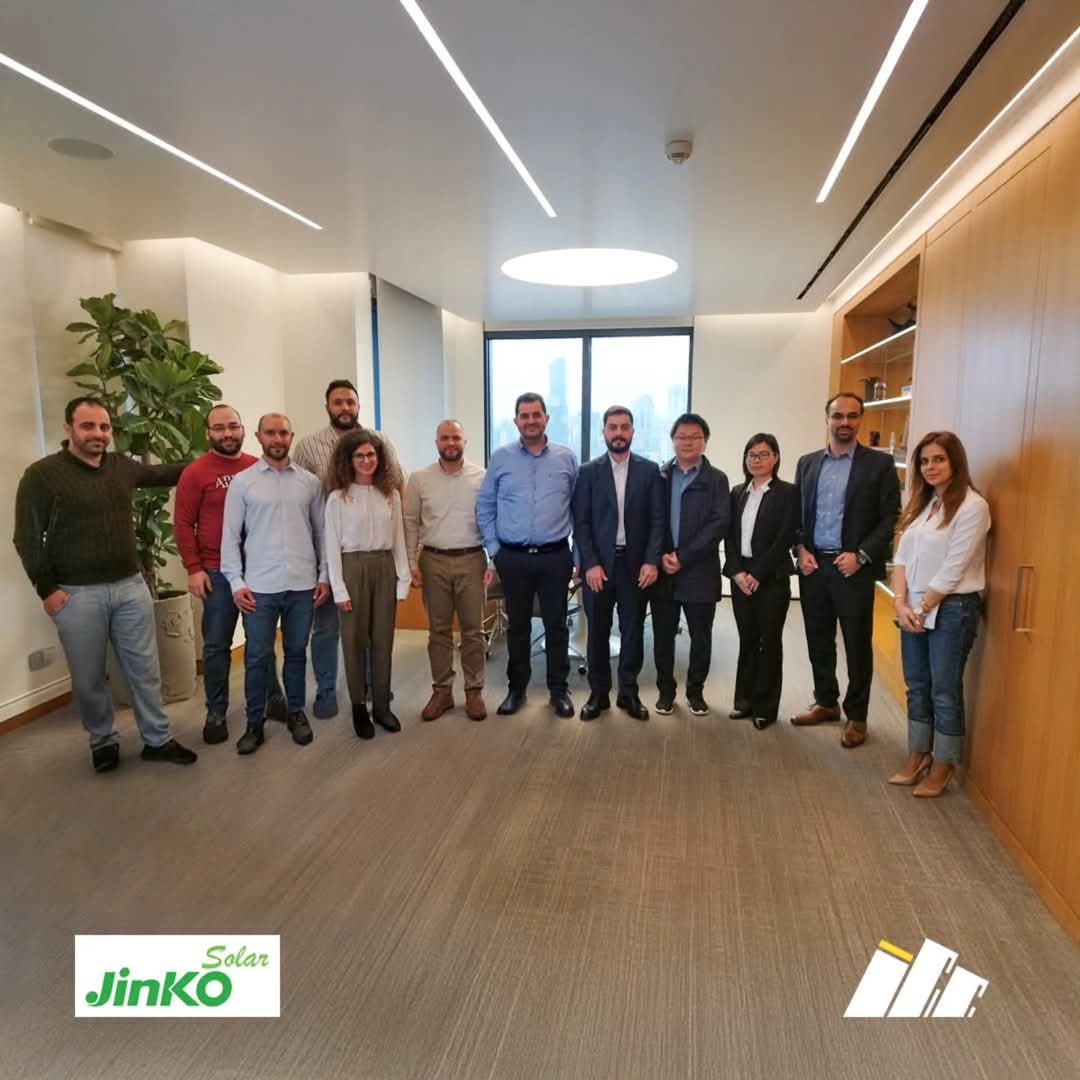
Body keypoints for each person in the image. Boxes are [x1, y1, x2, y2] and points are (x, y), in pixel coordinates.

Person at [12, 397, 198, 772]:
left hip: (130, 588)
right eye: (88, 426)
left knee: (145, 671)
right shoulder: (42, 475)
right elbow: (27, 538)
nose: (98, 434)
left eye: (104, 427)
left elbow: (162, 473)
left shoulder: (120, 466)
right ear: (69, 429)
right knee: (88, 679)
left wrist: (212, 463)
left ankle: (157, 739)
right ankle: (103, 741)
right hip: (76, 595)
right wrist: (47, 590)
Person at [791, 393, 901, 748]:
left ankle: (857, 715)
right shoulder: (807, 463)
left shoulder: (878, 464)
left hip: (853, 568)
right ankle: (826, 702)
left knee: (856, 644)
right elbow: (797, 515)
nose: (845, 422)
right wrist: (801, 549)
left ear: (860, 420)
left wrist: (862, 555)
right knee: (818, 639)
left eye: (852, 416)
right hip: (813, 567)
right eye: (838, 416)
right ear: (827, 419)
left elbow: (890, 517)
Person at [292, 379, 406, 719]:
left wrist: (402, 572)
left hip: (378, 556)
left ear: (358, 406)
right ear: (327, 406)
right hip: (332, 552)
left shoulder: (380, 442)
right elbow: (302, 495)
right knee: (329, 629)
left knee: (377, 633)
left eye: (350, 402)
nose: (344, 408)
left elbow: (398, 485)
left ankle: (376, 690)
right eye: (338, 402)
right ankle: (328, 691)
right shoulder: (309, 447)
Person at [174, 404, 287, 745]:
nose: (227, 433)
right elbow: (183, 524)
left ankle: (273, 697)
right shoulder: (195, 473)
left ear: (243, 430)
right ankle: (216, 711)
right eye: (219, 428)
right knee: (216, 645)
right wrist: (194, 569)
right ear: (208, 433)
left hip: (258, 569)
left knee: (262, 640)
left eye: (233, 426)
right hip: (217, 572)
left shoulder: (257, 467)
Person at [221, 413, 330, 755]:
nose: (277, 439)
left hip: (302, 584)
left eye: (283, 432)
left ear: (291, 436)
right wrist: (236, 582)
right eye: (271, 433)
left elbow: (321, 533)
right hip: (259, 587)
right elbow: (230, 537)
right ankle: (255, 722)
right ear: (259, 437)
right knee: (257, 657)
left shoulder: (310, 483)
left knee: (296, 652)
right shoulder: (243, 483)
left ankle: (296, 712)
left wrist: (324, 575)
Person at [888, 432, 990, 797]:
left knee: (944, 690)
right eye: (925, 461)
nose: (930, 467)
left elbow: (953, 568)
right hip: (913, 606)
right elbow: (901, 558)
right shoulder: (924, 504)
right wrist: (900, 604)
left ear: (955, 462)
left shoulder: (973, 507)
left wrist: (919, 608)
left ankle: (944, 764)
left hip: (952, 609)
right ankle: (918, 755)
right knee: (917, 685)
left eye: (939, 459)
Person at [476, 392, 578, 718]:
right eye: (524, 415)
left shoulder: (566, 458)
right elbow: (485, 506)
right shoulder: (501, 458)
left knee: (557, 626)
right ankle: (516, 689)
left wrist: (578, 554)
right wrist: (495, 551)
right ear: (516, 420)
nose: (531, 421)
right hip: (513, 557)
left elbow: (579, 508)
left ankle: (558, 691)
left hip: (555, 556)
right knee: (517, 627)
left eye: (536, 415)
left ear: (546, 418)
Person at [572, 406, 664, 722]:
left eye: (625, 427)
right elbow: (581, 522)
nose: (619, 433)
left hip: (636, 567)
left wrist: (651, 561)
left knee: (633, 632)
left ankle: (629, 693)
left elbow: (658, 521)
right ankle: (598, 694)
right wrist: (590, 564)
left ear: (633, 432)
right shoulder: (588, 472)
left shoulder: (650, 471)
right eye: (613, 427)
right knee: (597, 632)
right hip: (599, 567)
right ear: (604, 432)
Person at [324, 428, 411, 739]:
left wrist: (403, 579)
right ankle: (359, 706)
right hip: (352, 567)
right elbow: (331, 546)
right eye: (359, 455)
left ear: (379, 458)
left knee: (383, 640)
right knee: (354, 641)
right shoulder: (338, 498)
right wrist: (339, 588)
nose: (365, 460)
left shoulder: (391, 495)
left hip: (384, 567)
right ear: (349, 460)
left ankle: (382, 706)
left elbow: (399, 540)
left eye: (371, 454)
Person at [403, 420, 488, 722]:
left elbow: (490, 519)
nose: (450, 443)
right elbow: (410, 522)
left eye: (456, 437)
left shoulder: (482, 477)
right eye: (444, 438)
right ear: (436, 442)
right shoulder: (419, 479)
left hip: (471, 558)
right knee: (438, 631)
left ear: (465, 442)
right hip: (433, 560)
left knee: (473, 631)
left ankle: (474, 691)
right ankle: (442, 691)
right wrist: (412, 564)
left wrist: (492, 561)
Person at [651, 413, 730, 716]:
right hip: (663, 571)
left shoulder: (717, 479)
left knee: (701, 638)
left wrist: (683, 557)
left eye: (695, 437)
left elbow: (719, 524)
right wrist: (660, 555)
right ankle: (665, 692)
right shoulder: (660, 476)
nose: (688, 442)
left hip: (700, 572)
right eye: (681, 436)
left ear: (705, 441)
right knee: (663, 636)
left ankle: (695, 692)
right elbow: (650, 520)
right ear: (672, 440)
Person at [722, 433, 799, 730]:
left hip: (772, 578)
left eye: (763, 454)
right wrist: (736, 572)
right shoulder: (737, 492)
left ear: (775, 458)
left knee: (769, 641)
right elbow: (729, 536)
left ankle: (765, 707)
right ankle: (744, 701)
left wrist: (758, 574)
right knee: (748, 639)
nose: (756, 460)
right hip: (741, 576)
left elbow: (785, 538)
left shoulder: (788, 493)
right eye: (751, 455)